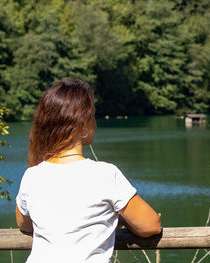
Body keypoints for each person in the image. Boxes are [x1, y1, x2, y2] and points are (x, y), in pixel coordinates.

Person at [15, 78, 161, 263]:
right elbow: (150, 225)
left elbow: (24, 223)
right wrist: (116, 219)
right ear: (82, 124)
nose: (95, 122)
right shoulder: (105, 175)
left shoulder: (32, 175)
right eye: (92, 115)